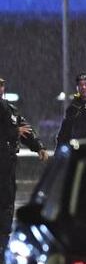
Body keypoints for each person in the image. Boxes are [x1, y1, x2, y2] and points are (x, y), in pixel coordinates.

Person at [0, 77, 48, 251]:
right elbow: (15, 129)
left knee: (6, 204)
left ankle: (2, 247)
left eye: (1, 85)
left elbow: (25, 129)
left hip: (7, 165)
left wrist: (38, 147)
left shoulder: (9, 109)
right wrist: (13, 132)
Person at [55, 72, 86, 147]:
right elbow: (65, 130)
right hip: (77, 148)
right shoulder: (73, 107)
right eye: (80, 85)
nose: (83, 87)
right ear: (77, 88)